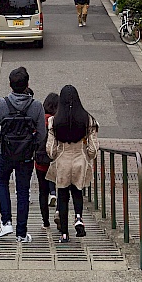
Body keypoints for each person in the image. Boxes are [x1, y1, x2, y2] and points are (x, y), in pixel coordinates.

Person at [0, 66, 47, 242]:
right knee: (23, 191)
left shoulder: (1, 104)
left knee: (2, 183)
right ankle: (21, 233)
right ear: (27, 84)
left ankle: (6, 222)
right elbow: (42, 134)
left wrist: (4, 139)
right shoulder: (36, 106)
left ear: (10, 85)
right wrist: (29, 144)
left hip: (5, 153)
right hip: (26, 156)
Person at [47, 84, 98, 242]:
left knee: (62, 196)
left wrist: (55, 154)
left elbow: (51, 149)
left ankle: (64, 233)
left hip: (63, 160)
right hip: (79, 160)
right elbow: (93, 148)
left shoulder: (54, 121)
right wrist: (88, 155)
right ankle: (78, 217)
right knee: (77, 191)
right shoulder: (88, 119)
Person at [35, 92, 59, 228]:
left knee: (42, 191)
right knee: (61, 188)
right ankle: (58, 212)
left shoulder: (39, 120)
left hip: (40, 162)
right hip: (55, 161)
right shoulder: (56, 121)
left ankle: (45, 222)